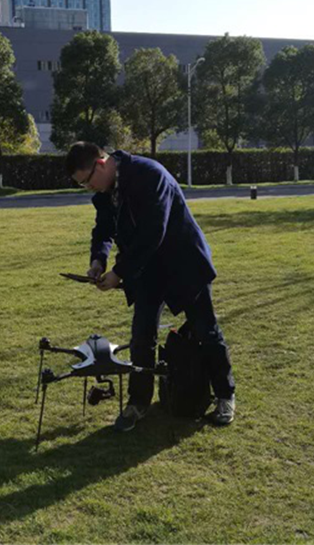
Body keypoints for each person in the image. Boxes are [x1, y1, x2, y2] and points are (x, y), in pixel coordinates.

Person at [66, 141, 236, 432]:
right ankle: (138, 402)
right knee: (141, 336)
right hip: (146, 271)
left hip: (184, 263)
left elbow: (153, 231)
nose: (88, 188)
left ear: (101, 164)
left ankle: (225, 395)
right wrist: (98, 260)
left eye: (87, 181)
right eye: (82, 185)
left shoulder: (149, 175)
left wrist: (119, 272)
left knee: (206, 330)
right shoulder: (106, 191)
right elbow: (103, 228)